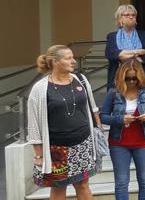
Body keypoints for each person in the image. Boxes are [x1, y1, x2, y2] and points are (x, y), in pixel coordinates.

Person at [28, 45, 99, 200]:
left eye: (73, 57)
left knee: (83, 185)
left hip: (83, 144)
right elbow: (33, 126)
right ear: (55, 62)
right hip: (56, 149)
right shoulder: (39, 89)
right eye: (68, 58)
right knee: (59, 189)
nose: (73, 61)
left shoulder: (81, 80)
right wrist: (39, 155)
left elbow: (93, 108)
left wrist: (98, 132)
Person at [102, 59, 145, 200]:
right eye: (127, 78)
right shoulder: (113, 92)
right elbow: (102, 116)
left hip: (144, 142)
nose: (131, 82)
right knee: (122, 182)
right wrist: (119, 119)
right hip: (119, 143)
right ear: (121, 77)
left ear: (140, 76)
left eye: (134, 78)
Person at [106, 4, 145, 89]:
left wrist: (124, 55)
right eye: (127, 15)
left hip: (143, 79)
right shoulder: (112, 36)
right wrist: (137, 53)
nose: (131, 17)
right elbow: (111, 55)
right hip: (119, 81)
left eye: (133, 15)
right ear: (119, 19)